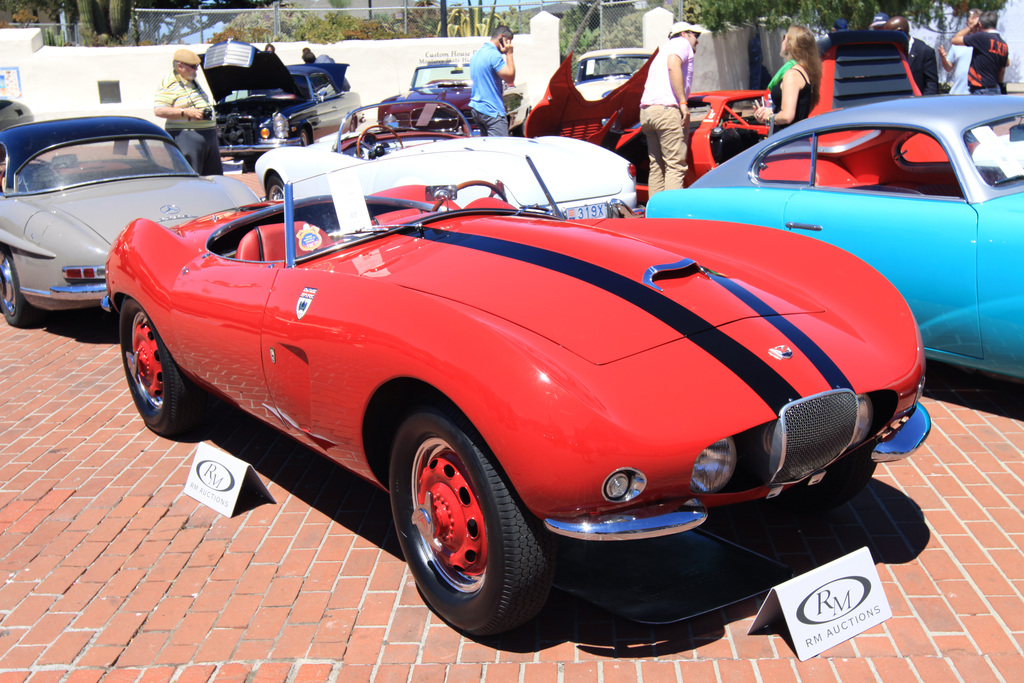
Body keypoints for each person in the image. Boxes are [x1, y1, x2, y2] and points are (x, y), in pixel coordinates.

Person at [639, 21, 704, 196]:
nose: (697, 40)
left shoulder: (664, 49)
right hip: (667, 111)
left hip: (647, 111)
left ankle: (655, 216)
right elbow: (673, 64)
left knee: (657, 166)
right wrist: (683, 103)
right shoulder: (681, 44)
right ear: (684, 34)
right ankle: (670, 218)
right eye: (695, 35)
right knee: (675, 166)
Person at [153, 48, 222, 175]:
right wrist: (186, 112)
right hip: (187, 136)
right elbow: (159, 110)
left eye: (197, 66)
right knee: (192, 177)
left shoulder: (191, 81)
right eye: (193, 66)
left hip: (208, 137)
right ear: (180, 66)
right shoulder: (170, 84)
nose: (196, 69)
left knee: (214, 178)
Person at [754, 25, 821, 134]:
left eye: (784, 38)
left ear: (790, 45)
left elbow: (787, 116)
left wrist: (769, 117)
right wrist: (771, 112)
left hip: (788, 144)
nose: (782, 41)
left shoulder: (792, 74)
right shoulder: (804, 71)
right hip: (797, 141)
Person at [469, 26, 516, 136]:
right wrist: (509, 53)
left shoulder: (478, 54)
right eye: (508, 41)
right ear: (502, 38)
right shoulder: (493, 55)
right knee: (500, 150)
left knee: (488, 149)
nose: (509, 45)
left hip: (477, 109)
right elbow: (510, 77)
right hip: (492, 111)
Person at [952, 10, 1008, 94]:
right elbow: (1002, 71)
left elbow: (955, 40)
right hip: (995, 89)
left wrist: (970, 27)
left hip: (981, 89)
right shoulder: (1003, 44)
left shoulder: (981, 37)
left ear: (980, 24)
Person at [886, 16, 938, 95]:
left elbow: (931, 85)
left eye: (889, 35)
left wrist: (923, 104)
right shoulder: (889, 51)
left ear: (900, 32)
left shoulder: (924, 52)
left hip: (917, 103)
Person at [938, 9, 980, 94]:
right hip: (958, 92)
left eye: (976, 25)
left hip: (978, 93)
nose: (974, 28)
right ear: (967, 24)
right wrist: (943, 58)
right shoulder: (958, 43)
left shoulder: (984, 42)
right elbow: (948, 67)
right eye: (971, 24)